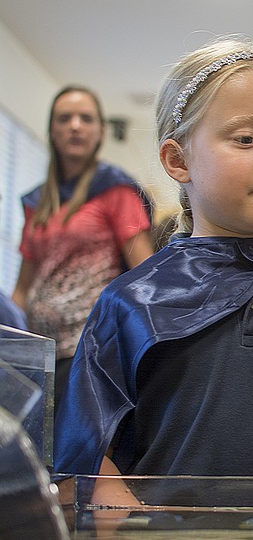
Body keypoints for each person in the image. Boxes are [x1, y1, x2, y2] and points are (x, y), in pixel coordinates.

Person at [53, 38, 253, 510]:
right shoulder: (132, 303)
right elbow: (87, 443)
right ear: (178, 160)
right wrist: (117, 508)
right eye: (246, 139)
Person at [12, 86, 154, 411]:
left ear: (101, 131)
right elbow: (22, 290)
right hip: (39, 351)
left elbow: (145, 275)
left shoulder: (116, 190)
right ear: (52, 129)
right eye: (65, 118)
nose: (75, 125)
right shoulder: (36, 203)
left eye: (85, 118)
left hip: (89, 351)